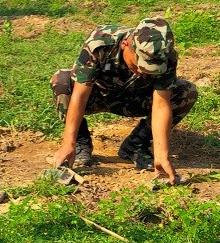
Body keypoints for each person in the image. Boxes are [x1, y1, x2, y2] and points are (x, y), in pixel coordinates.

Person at [49, 17, 199, 185]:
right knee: (61, 80)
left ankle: (136, 144)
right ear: (126, 44)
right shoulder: (100, 42)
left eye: (150, 68)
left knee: (186, 92)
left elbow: (161, 104)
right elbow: (80, 94)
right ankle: (80, 142)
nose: (142, 71)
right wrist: (68, 143)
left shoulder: (166, 56)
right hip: (99, 95)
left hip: (137, 98)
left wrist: (161, 155)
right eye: (139, 64)